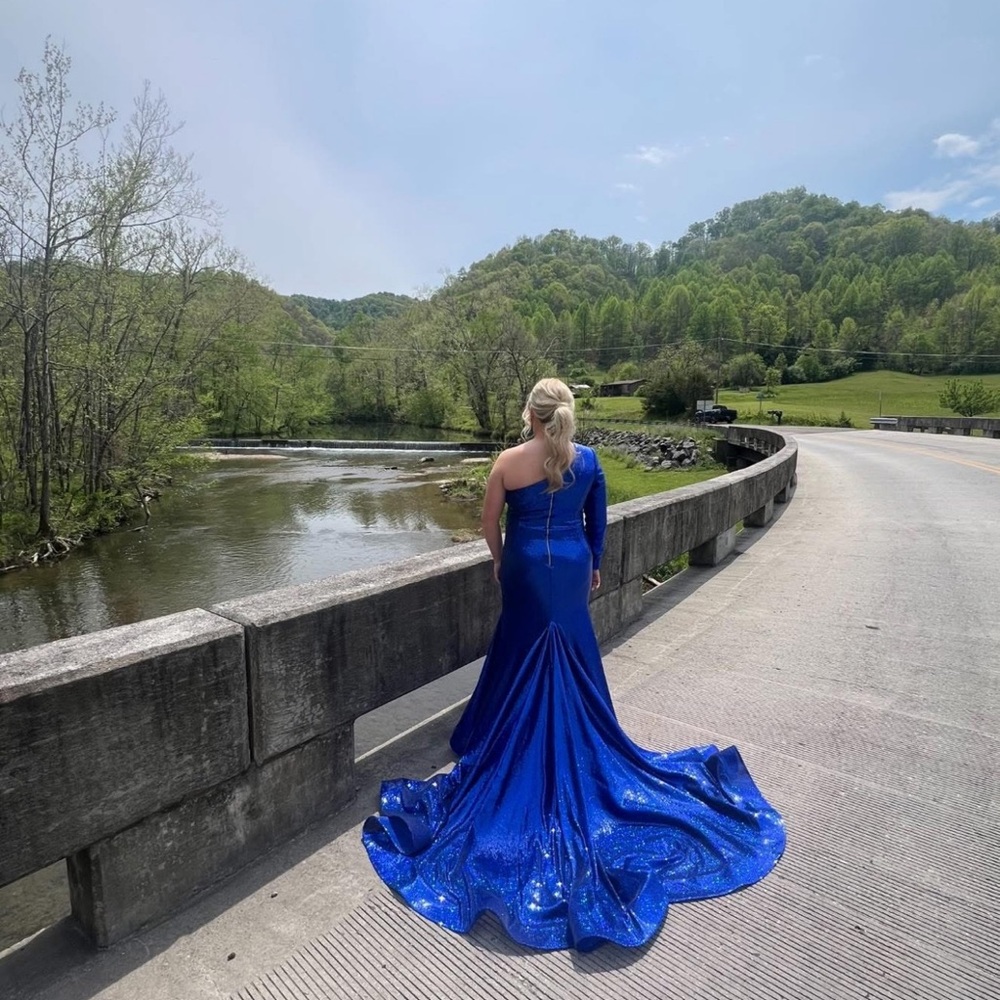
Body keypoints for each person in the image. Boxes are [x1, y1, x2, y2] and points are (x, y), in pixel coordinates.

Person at [362, 378, 785, 952]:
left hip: (525, 566)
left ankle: (506, 733)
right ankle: (581, 736)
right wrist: (594, 565)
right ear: (564, 413)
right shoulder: (587, 460)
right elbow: (596, 523)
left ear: (531, 414)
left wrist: (500, 561)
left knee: (519, 649)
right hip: (571, 565)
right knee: (571, 652)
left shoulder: (507, 461)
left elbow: (489, 523)